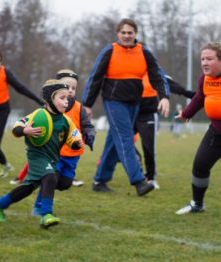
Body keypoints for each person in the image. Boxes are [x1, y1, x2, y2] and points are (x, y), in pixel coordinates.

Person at [82, 18, 170, 196]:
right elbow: (95, 77)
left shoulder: (144, 52)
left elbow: (157, 76)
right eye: (123, 32)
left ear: (135, 34)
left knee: (114, 141)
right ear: (118, 34)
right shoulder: (109, 50)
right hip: (113, 102)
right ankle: (139, 182)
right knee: (125, 137)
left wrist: (164, 97)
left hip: (134, 103)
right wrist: (87, 104)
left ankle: (100, 180)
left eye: (130, 32)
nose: (127, 35)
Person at [0, 79, 84, 228]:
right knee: (50, 177)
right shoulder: (39, 114)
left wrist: (76, 143)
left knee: (28, 188)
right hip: (37, 156)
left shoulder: (66, 120)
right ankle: (46, 214)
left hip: (52, 158)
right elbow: (17, 125)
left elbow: (72, 137)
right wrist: (24, 130)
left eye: (67, 98)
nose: (66, 101)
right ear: (50, 99)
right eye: (62, 98)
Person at [9, 69, 96, 191]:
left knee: (64, 184)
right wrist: (27, 131)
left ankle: (39, 182)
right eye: (67, 87)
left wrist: (89, 135)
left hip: (72, 152)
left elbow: (88, 126)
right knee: (49, 179)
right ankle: (39, 204)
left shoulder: (79, 108)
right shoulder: (46, 110)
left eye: (73, 88)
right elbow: (28, 123)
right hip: (53, 153)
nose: (70, 90)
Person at [0, 46, 44, 179]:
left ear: (0, 58)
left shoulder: (5, 72)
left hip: (2, 110)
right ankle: (6, 165)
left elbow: (20, 88)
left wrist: (39, 101)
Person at [176, 42, 221, 215]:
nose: (204, 63)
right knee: (200, 166)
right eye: (202, 59)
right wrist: (186, 114)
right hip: (216, 132)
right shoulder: (204, 78)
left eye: (209, 59)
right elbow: (199, 98)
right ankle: (197, 204)